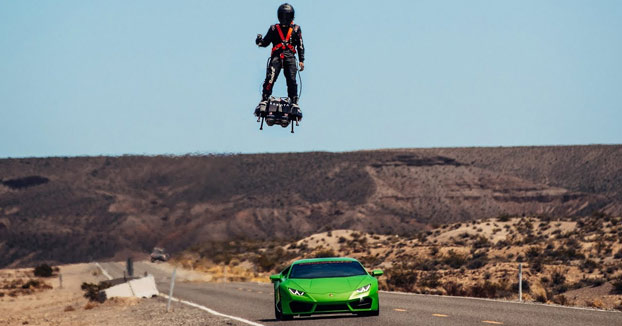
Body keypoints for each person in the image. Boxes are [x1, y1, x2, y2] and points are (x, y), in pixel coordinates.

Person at [255, 3, 305, 109]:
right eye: (283, 16)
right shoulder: (274, 29)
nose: (285, 18)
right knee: (270, 77)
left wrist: (301, 60)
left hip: (290, 56)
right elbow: (265, 42)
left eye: (287, 16)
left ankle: (294, 100)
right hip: (277, 56)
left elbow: (300, 45)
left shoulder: (296, 29)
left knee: (292, 80)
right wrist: (259, 41)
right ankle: (264, 99)